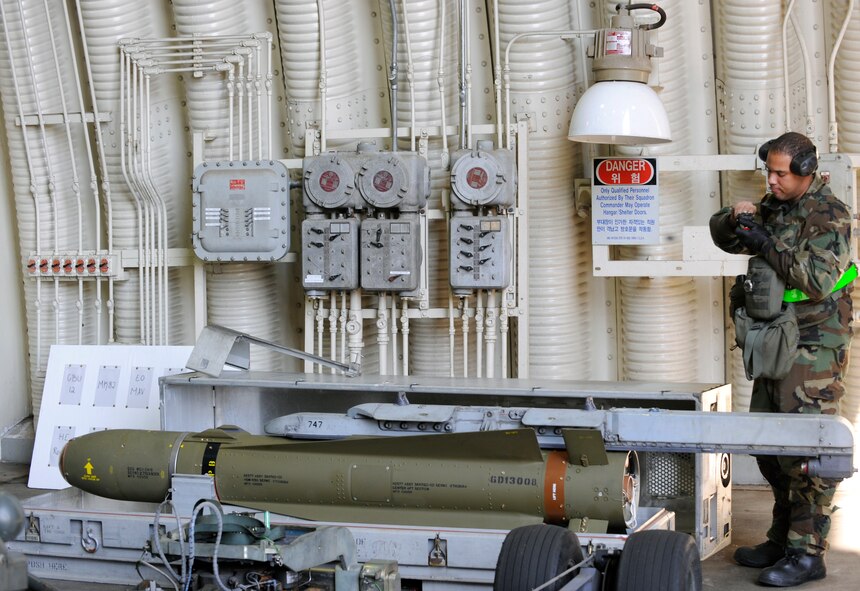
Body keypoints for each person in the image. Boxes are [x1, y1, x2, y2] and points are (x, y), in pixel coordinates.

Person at [709, 131, 853, 587]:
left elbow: (814, 278)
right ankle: (780, 539)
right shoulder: (778, 205)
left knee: (806, 454)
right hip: (777, 339)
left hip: (814, 347)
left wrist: (765, 240)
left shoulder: (828, 214)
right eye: (768, 171)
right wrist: (736, 218)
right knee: (771, 448)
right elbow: (726, 239)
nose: (771, 180)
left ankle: (808, 553)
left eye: (780, 174)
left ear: (806, 172)